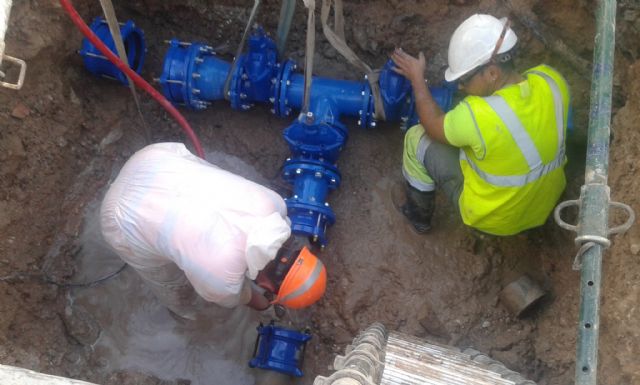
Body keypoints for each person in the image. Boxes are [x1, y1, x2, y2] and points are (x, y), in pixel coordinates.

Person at [100, 142, 326, 320]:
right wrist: (264, 304)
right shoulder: (222, 283)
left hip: (155, 158)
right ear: (267, 287)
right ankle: (182, 314)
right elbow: (243, 297)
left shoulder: (275, 204)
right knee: (169, 281)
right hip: (119, 219)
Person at [391, 14, 570, 236]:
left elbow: (432, 124)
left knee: (416, 139)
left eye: (464, 80)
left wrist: (417, 79)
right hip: (543, 208)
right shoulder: (551, 81)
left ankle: (418, 216)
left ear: (492, 73)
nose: (462, 87)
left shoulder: (477, 115)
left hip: (493, 221)